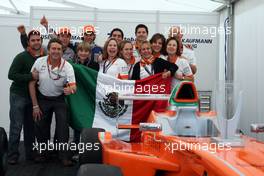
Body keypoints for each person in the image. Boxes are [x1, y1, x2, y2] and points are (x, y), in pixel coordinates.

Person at [29, 38, 76, 166]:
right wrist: (35, 106)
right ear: (48, 50)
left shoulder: (68, 66)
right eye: (53, 49)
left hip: (59, 99)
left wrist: (70, 90)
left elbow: (73, 87)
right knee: (40, 125)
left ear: (62, 51)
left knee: (62, 127)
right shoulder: (39, 62)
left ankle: (63, 156)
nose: (56, 51)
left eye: (59, 49)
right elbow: (31, 83)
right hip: (43, 98)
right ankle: (43, 153)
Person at [7, 30, 44, 164]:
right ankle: (12, 155)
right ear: (28, 42)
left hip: (33, 98)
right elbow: (11, 75)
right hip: (18, 95)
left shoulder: (43, 57)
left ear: (41, 41)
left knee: (31, 127)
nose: (36, 42)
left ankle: (30, 154)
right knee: (16, 126)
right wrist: (30, 76)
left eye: (38, 40)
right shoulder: (21, 57)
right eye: (33, 40)